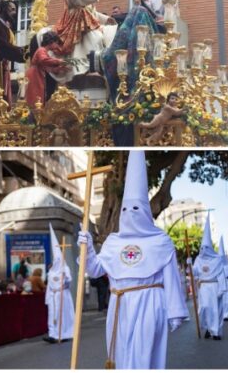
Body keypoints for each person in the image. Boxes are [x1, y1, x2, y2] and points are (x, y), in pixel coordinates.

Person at [78, 150, 188, 369]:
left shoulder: (160, 241)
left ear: (146, 212)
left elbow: (171, 279)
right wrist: (88, 248)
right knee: (120, 357)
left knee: (143, 357)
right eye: (126, 209)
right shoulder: (113, 241)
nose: (130, 213)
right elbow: (96, 269)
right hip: (119, 305)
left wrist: (175, 311)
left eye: (136, 208)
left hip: (149, 304)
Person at [50, 0, 115, 82]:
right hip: (75, 17)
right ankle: (81, 68)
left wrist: (106, 19)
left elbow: (91, 11)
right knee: (95, 38)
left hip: (86, 18)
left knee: (102, 36)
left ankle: (96, 67)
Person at [0, 0, 26, 102]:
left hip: (4, 67)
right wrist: (23, 53)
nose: (14, 13)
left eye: (15, 10)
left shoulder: (7, 28)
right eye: (12, 9)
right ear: (3, 9)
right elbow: (2, 44)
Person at [193, 213, 224, 340]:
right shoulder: (198, 260)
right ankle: (207, 328)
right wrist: (190, 263)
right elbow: (195, 272)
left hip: (214, 286)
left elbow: (221, 274)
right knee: (204, 308)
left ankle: (215, 332)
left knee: (214, 309)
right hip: (203, 287)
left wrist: (222, 288)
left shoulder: (217, 260)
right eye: (202, 247)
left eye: (206, 247)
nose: (204, 249)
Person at [44, 223, 74, 343]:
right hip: (53, 296)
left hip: (63, 295)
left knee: (62, 315)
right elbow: (48, 287)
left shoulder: (64, 268)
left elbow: (69, 281)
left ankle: (64, 333)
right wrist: (48, 298)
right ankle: (52, 334)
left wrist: (65, 277)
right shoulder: (51, 272)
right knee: (52, 315)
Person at [26, 30, 68, 108]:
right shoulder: (41, 50)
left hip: (38, 74)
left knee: (39, 96)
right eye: (56, 43)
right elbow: (44, 60)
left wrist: (59, 68)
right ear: (51, 42)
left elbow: (48, 69)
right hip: (34, 75)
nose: (57, 46)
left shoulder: (44, 51)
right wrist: (59, 61)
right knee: (36, 97)